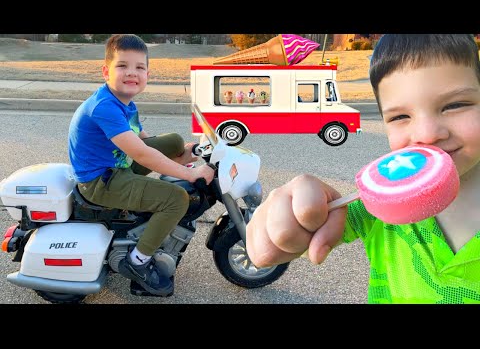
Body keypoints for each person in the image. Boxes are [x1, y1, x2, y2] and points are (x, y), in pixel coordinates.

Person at [246, 34, 480, 304]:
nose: (427, 135)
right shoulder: (379, 206)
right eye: (400, 116)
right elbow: (303, 228)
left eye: (455, 105)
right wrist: (280, 221)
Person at [68, 34, 215, 297]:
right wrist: (189, 175)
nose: (131, 73)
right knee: (177, 199)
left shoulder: (125, 103)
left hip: (116, 168)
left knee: (173, 141)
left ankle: (161, 193)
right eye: (122, 66)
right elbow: (143, 155)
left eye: (139, 67)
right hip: (101, 182)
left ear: (147, 73)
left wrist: (188, 154)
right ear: (106, 71)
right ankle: (137, 262)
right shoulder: (105, 107)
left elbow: (146, 142)